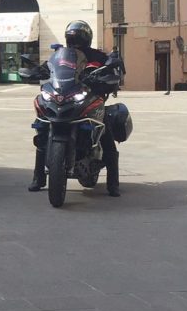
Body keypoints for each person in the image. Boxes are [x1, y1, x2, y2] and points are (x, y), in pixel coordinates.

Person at [28, 20, 123, 197]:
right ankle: (38, 178)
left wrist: (112, 66)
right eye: (72, 38)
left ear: (86, 38)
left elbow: (111, 68)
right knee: (41, 130)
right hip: (64, 97)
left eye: (78, 38)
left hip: (90, 98)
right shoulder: (61, 55)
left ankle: (113, 183)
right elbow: (49, 68)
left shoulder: (97, 55)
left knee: (105, 132)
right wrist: (35, 71)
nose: (75, 41)